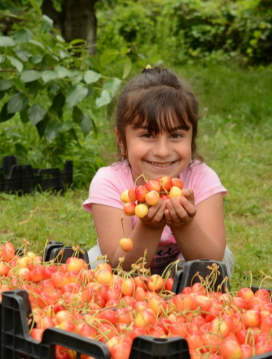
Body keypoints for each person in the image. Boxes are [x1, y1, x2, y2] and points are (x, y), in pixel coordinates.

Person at [83, 66, 234, 276]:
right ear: (122, 140)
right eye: (147, 135)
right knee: (95, 264)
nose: (163, 151)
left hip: (180, 273)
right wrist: (150, 226)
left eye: (176, 135)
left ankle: (182, 298)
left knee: (224, 257)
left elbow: (211, 263)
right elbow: (118, 266)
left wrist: (184, 225)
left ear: (193, 137)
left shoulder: (201, 178)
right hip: (125, 276)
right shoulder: (110, 181)